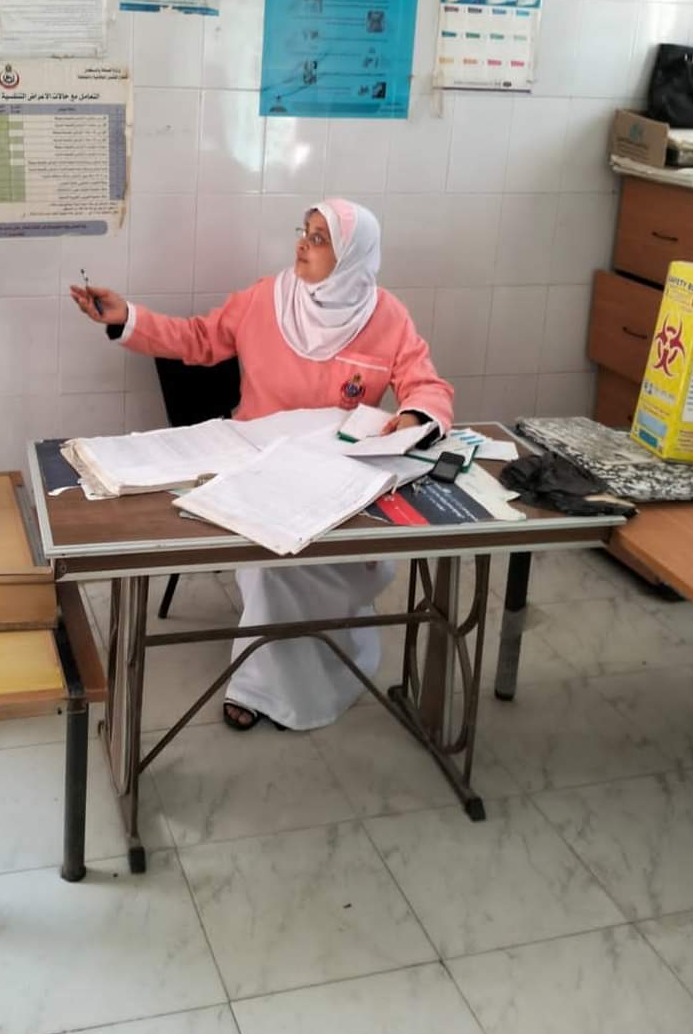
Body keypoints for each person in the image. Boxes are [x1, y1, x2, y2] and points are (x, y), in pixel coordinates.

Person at [70, 197, 453, 732]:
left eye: (319, 238)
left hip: (336, 472)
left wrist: (413, 415)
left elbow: (425, 384)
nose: (302, 244)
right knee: (273, 560)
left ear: (352, 255)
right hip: (256, 462)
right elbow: (199, 339)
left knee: (330, 552)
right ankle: (259, 686)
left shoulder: (386, 316)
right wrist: (127, 317)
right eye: (304, 231)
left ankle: (329, 661)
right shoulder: (266, 299)